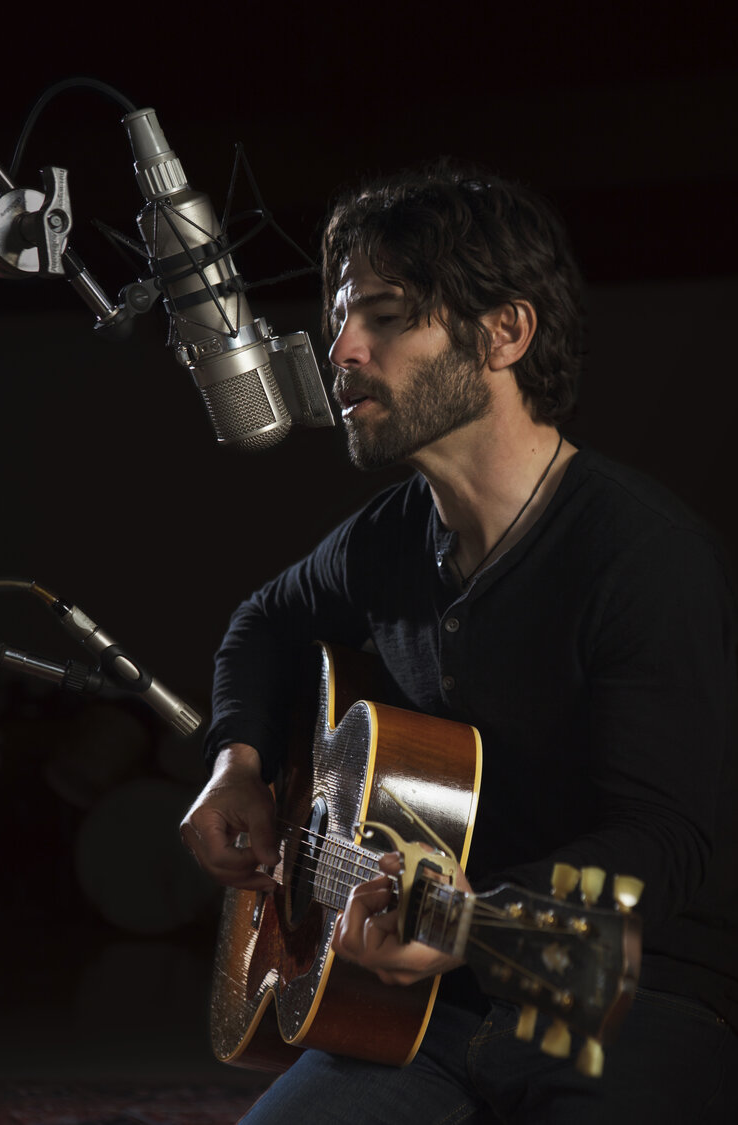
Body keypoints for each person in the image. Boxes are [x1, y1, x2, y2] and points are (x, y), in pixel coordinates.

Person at [180, 162, 738, 1122]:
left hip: (632, 1003)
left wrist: (461, 918)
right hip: (420, 1014)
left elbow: (662, 842)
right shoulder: (387, 538)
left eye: (387, 315)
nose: (340, 348)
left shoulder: (642, 556)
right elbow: (263, 623)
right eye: (342, 316)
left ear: (504, 333)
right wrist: (236, 762)